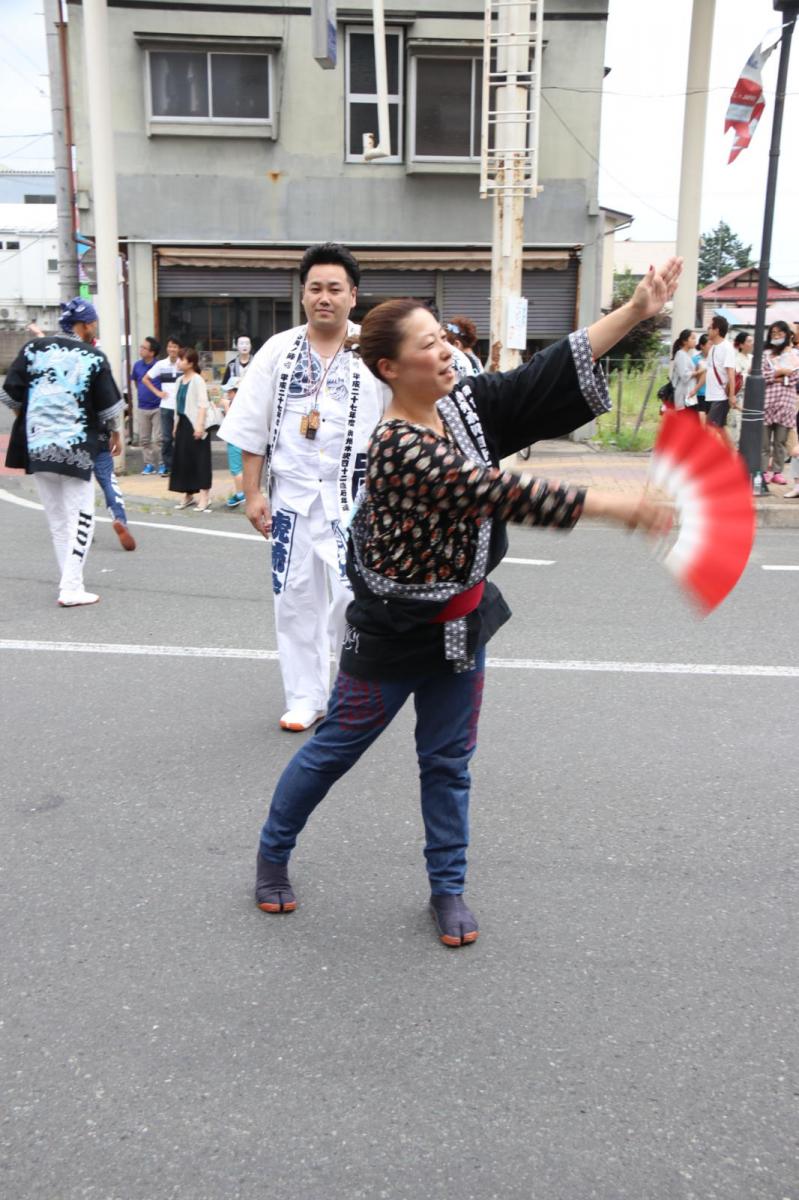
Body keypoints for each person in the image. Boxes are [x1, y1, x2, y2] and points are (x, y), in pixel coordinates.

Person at [252, 259, 681, 947]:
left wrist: (634, 312)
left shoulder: (462, 407)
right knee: (334, 749)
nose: (445, 350)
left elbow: (538, 377)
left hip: (460, 625)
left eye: (444, 337)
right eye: (427, 344)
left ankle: (447, 888)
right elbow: (496, 492)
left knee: (448, 764)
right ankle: (273, 853)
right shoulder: (397, 444)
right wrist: (616, 506)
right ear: (391, 368)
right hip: (391, 630)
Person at [218, 242, 388, 733]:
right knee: (293, 599)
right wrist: (253, 493)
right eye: (315, 288)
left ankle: (350, 690)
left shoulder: (374, 349)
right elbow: (252, 423)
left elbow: (404, 414)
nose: (324, 297)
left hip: (354, 499)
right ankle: (305, 697)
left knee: (351, 599)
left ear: (353, 295)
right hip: (291, 498)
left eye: (335, 288)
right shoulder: (279, 350)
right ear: (303, 294)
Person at [2, 298, 124, 606]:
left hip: (38, 446)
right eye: (92, 323)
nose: (94, 327)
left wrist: (33, 421)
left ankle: (69, 582)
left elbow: (11, 395)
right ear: (83, 325)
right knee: (82, 518)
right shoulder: (93, 357)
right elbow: (109, 409)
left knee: (57, 521)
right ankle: (71, 588)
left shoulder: (33, 348)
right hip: (75, 448)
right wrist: (116, 434)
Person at [170, 346, 212, 512]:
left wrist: (199, 426)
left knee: (200, 460)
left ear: (191, 363)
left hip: (195, 424)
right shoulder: (179, 380)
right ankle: (188, 495)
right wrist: (175, 425)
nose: (179, 362)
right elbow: (177, 405)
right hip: (183, 423)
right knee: (184, 460)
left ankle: (205, 497)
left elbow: (203, 405)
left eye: (182, 359)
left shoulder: (197, 380)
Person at [761, 320, 799, 486]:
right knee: (764, 441)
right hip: (767, 402)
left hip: (786, 403)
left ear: (786, 335)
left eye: (780, 333)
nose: (776, 336)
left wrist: (776, 377)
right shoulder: (766, 354)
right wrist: (781, 373)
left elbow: (795, 378)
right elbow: (762, 375)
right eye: (773, 333)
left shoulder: (794, 355)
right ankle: (762, 472)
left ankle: (777, 472)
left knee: (780, 441)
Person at [219, 336, 253, 508]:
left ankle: (241, 494)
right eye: (241, 343)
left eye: (247, 343)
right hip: (247, 422)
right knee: (246, 464)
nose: (244, 346)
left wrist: (226, 406)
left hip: (240, 424)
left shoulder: (257, 363)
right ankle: (248, 492)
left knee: (238, 466)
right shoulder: (232, 365)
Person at [142, 336, 183, 476]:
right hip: (166, 406)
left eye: (175, 346)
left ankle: (181, 467)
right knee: (166, 439)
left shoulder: (183, 363)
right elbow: (145, 379)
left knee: (180, 438)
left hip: (181, 407)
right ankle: (168, 467)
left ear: (179, 349)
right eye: (170, 346)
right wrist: (157, 392)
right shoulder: (161, 364)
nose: (172, 349)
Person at [705, 315, 739, 449]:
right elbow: (708, 371)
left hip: (720, 396)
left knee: (710, 429)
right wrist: (696, 389)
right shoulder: (713, 348)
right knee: (720, 428)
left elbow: (731, 373)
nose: (707, 330)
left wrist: (732, 395)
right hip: (712, 395)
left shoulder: (727, 347)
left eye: (709, 327)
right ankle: (733, 455)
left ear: (716, 330)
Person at [131, 336, 161, 474]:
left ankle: (163, 464)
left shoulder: (159, 366)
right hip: (142, 407)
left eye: (144, 348)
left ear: (152, 352)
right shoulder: (137, 365)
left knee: (160, 438)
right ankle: (149, 465)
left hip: (158, 406)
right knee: (144, 439)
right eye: (141, 347)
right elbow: (136, 383)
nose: (141, 349)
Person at [669, 328, 698, 411]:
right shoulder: (681, 355)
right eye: (692, 338)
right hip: (683, 395)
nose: (695, 341)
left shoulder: (685, 355)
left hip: (687, 394)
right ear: (685, 341)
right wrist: (698, 372)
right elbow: (684, 375)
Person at [691, 333, 710, 420]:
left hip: (713, 395)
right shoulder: (695, 359)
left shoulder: (714, 359)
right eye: (709, 344)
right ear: (702, 346)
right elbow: (692, 377)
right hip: (700, 394)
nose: (712, 346)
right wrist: (700, 372)